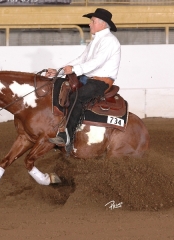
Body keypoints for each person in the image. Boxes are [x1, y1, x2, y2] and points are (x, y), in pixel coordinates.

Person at [46, 8, 121, 149]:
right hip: (89, 78)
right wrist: (59, 71)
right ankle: (57, 124)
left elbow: (96, 62)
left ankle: (66, 136)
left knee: (77, 97)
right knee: (59, 84)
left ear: (103, 24)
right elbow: (81, 59)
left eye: (92, 21)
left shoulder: (110, 41)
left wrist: (74, 70)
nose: (89, 24)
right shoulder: (96, 41)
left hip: (101, 82)